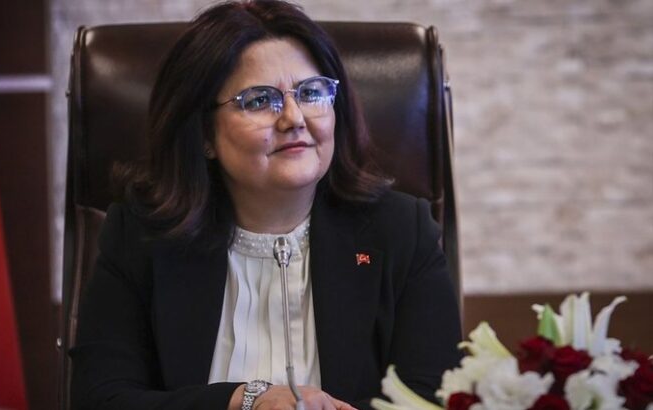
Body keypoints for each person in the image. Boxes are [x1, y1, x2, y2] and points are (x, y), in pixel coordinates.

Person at [69, 1, 462, 409]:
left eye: (311, 93)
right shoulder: (142, 237)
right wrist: (243, 400)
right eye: (259, 100)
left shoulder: (401, 232)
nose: (294, 118)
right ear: (203, 133)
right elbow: (100, 399)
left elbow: (434, 399)